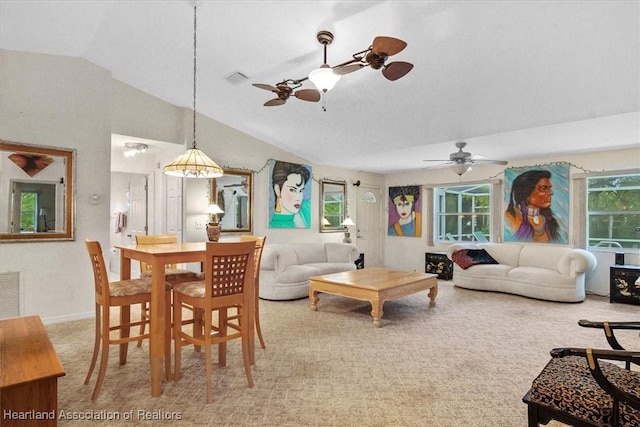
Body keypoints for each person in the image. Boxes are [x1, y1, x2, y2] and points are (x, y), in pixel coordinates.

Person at [504, 169, 560, 242]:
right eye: (543, 188)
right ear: (526, 193)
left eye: (549, 188)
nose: (551, 193)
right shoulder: (509, 218)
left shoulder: (549, 221)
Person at [269, 161, 311, 228]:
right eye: (292, 190)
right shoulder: (272, 224)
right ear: (277, 190)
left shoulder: (307, 208)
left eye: (301, 190)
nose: (298, 198)